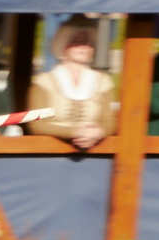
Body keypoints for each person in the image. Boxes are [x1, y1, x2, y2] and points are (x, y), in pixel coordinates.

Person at [27, 19, 116, 151]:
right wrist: (74, 132)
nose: (83, 47)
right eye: (76, 41)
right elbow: (36, 124)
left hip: (94, 152)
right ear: (63, 44)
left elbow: (111, 121)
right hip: (49, 152)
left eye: (88, 42)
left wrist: (98, 132)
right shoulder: (43, 82)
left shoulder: (104, 82)